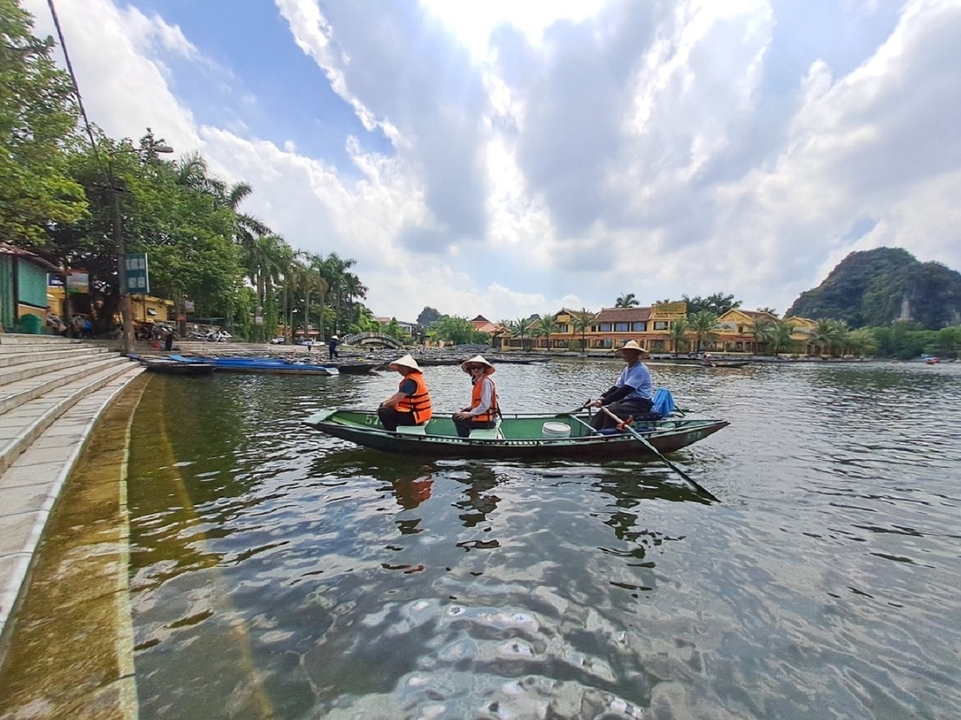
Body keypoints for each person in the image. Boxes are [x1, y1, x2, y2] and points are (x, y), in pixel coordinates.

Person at [588, 340, 654, 432]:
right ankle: (590, 433)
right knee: (603, 411)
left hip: (640, 403)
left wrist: (605, 401)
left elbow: (625, 390)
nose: (626, 354)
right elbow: (617, 387)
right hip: (628, 401)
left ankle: (607, 435)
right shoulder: (627, 369)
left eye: (629, 352)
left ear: (636, 354)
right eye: (625, 352)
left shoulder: (641, 369)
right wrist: (602, 397)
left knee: (611, 411)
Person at [377, 354, 432, 431]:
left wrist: (383, 406)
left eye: (401, 367)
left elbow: (395, 401)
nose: (399, 369)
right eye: (398, 367)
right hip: (419, 415)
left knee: (383, 411)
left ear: (409, 368)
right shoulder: (415, 378)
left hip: (414, 417)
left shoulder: (410, 382)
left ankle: (392, 432)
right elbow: (397, 395)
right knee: (384, 406)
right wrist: (385, 402)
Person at [452, 354, 499, 438]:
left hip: (487, 421)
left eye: (479, 367)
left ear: (484, 369)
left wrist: (469, 414)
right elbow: (479, 402)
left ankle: (465, 440)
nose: (476, 369)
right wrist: (469, 408)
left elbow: (485, 405)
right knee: (458, 414)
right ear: (470, 370)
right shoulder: (479, 381)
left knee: (457, 418)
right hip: (484, 418)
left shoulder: (485, 382)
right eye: (473, 367)